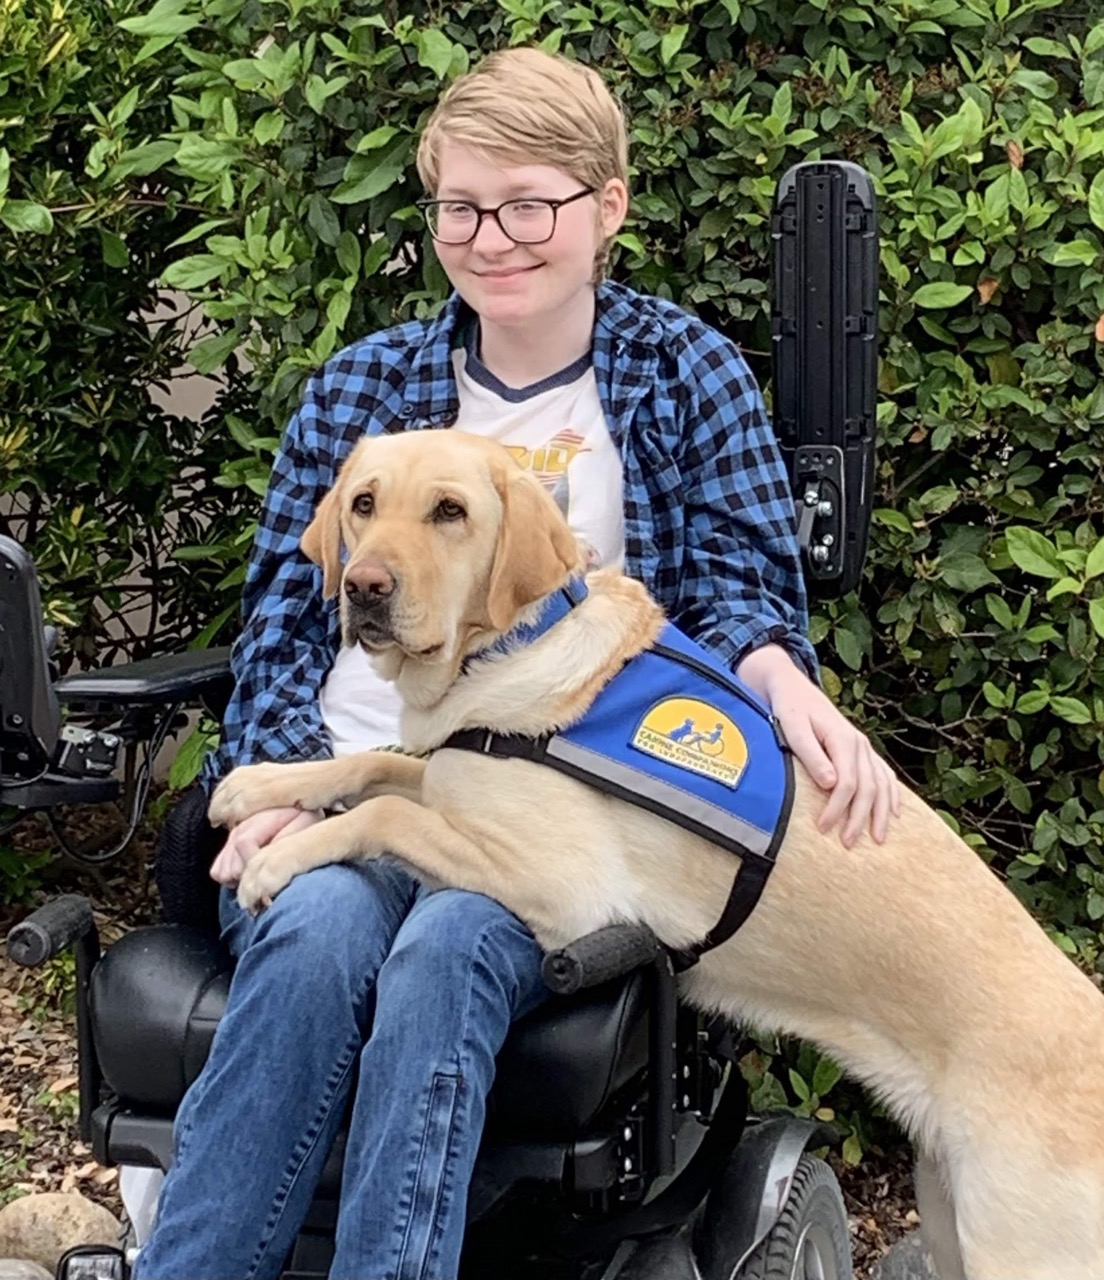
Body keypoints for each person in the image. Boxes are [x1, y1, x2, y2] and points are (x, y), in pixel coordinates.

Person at [133, 46, 899, 1280]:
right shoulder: (362, 389)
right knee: (320, 919)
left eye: (528, 204)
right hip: (351, 780)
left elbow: (739, 593)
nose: (491, 239)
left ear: (608, 207)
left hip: (547, 819)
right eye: (460, 206)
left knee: (448, 946)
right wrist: (275, 778)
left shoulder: (679, 374)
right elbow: (285, 615)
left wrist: (780, 674)